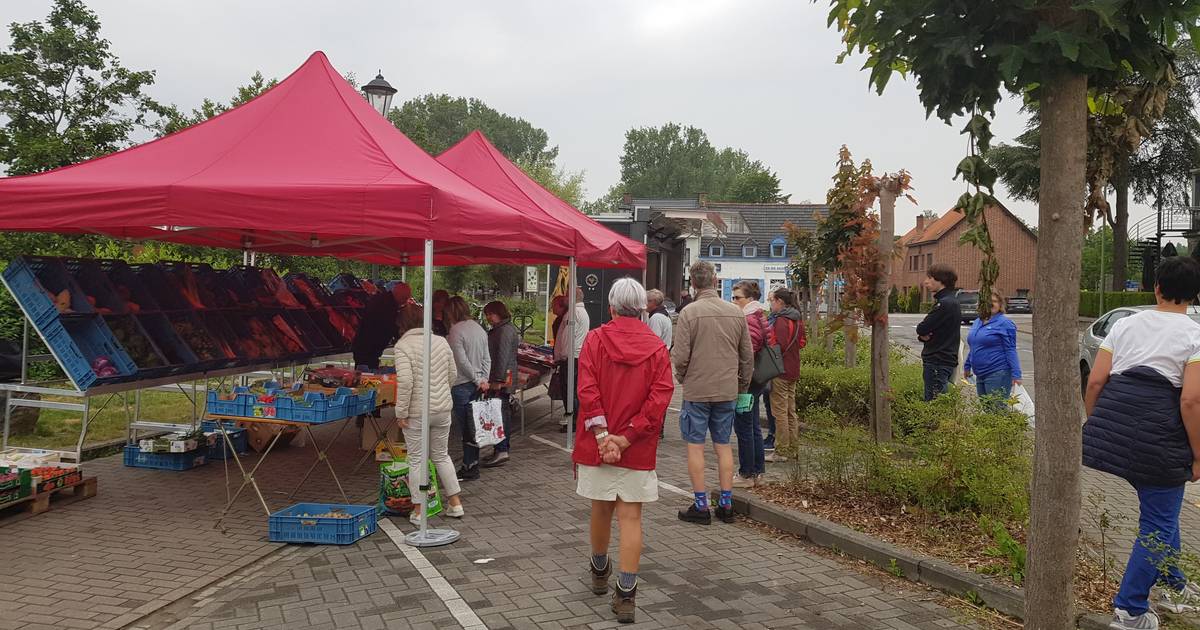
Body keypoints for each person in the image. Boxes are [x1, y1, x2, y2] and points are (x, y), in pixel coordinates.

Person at [1083, 256, 1200, 628]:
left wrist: (1096, 424)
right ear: (1195, 295)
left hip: (1114, 429)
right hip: (1159, 439)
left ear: (1157, 288)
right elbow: (1190, 401)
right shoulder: (1195, 336)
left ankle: (1172, 584)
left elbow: (1095, 382)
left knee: (1162, 514)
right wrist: (1198, 455)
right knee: (1158, 522)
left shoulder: (1125, 325)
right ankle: (1130, 609)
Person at [574, 278, 674, 624]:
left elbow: (587, 389)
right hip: (637, 447)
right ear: (644, 308)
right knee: (631, 517)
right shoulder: (657, 348)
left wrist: (604, 437)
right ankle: (626, 593)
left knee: (600, 509)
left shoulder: (595, 340)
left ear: (611, 307)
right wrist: (627, 438)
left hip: (597, 443)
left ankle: (599, 569)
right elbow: (659, 399)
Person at [671, 261, 753, 525]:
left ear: (693, 283)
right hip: (727, 389)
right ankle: (726, 504)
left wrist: (683, 377)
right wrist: (742, 386)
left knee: (695, 445)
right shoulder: (735, 312)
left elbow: (680, 356)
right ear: (715, 281)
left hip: (697, 389)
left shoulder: (689, 313)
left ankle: (700, 505)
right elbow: (747, 356)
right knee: (723, 445)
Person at [392, 304, 464, 525]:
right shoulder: (441, 341)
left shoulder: (402, 346)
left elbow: (405, 382)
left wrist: (401, 412)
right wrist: (442, 392)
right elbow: (453, 373)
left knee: (416, 459)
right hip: (442, 409)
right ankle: (455, 503)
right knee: (441, 455)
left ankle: (419, 509)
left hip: (416, 412)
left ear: (402, 324)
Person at [730, 281, 773, 488]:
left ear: (750, 298)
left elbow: (749, 351)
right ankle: (757, 471)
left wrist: (740, 377)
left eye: (737, 297)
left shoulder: (749, 319)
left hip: (748, 382)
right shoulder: (758, 315)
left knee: (744, 426)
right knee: (753, 425)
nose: (734, 301)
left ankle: (746, 473)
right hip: (757, 380)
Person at [445, 297, 491, 482]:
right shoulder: (479, 328)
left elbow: (461, 361)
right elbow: (487, 357)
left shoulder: (455, 331)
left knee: (467, 428)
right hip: (478, 384)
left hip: (462, 384)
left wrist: (476, 379)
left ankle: (470, 466)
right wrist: (484, 379)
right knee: (475, 426)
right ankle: (472, 464)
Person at [963, 289, 1022, 408]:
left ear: (1000, 304)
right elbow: (974, 345)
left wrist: (1016, 374)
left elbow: (1011, 349)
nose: (991, 304)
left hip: (998, 373)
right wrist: (967, 366)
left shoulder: (1005, 323)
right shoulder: (977, 322)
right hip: (980, 374)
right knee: (987, 408)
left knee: (997, 409)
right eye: (987, 301)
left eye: (994, 301)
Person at [767, 288, 805, 460]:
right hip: (793, 368)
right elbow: (802, 342)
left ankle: (781, 450)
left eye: (772, 301)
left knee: (780, 412)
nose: (771, 304)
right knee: (791, 411)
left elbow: (778, 345)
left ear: (780, 302)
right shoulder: (797, 319)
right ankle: (793, 448)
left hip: (780, 370)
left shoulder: (781, 320)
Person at [481, 301, 520, 467]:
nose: (488, 317)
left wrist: (497, 381)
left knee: (500, 414)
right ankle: (501, 449)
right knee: (501, 412)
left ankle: (502, 450)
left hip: (502, 379)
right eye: (487, 314)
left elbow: (502, 357)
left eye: (490, 314)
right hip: (504, 377)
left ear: (498, 313)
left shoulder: (504, 331)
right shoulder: (504, 329)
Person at [915, 264, 962, 401]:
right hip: (943, 358)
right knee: (936, 398)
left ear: (941, 280)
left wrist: (923, 334)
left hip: (938, 359)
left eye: (930, 278)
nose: (926, 282)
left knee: (934, 401)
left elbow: (922, 328)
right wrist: (923, 336)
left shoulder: (945, 304)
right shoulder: (949, 301)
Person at [351, 282, 412, 370]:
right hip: (369, 347)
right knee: (367, 371)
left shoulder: (382, 299)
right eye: (404, 298)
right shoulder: (388, 306)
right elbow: (390, 327)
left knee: (365, 368)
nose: (405, 301)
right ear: (399, 295)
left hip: (365, 345)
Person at [555, 288, 590, 433]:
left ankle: (574, 420)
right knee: (573, 389)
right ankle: (575, 419)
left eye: (567, 295)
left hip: (571, 357)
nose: (564, 298)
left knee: (570, 390)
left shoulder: (573, 313)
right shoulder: (582, 312)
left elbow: (567, 337)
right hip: (575, 356)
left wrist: (561, 355)